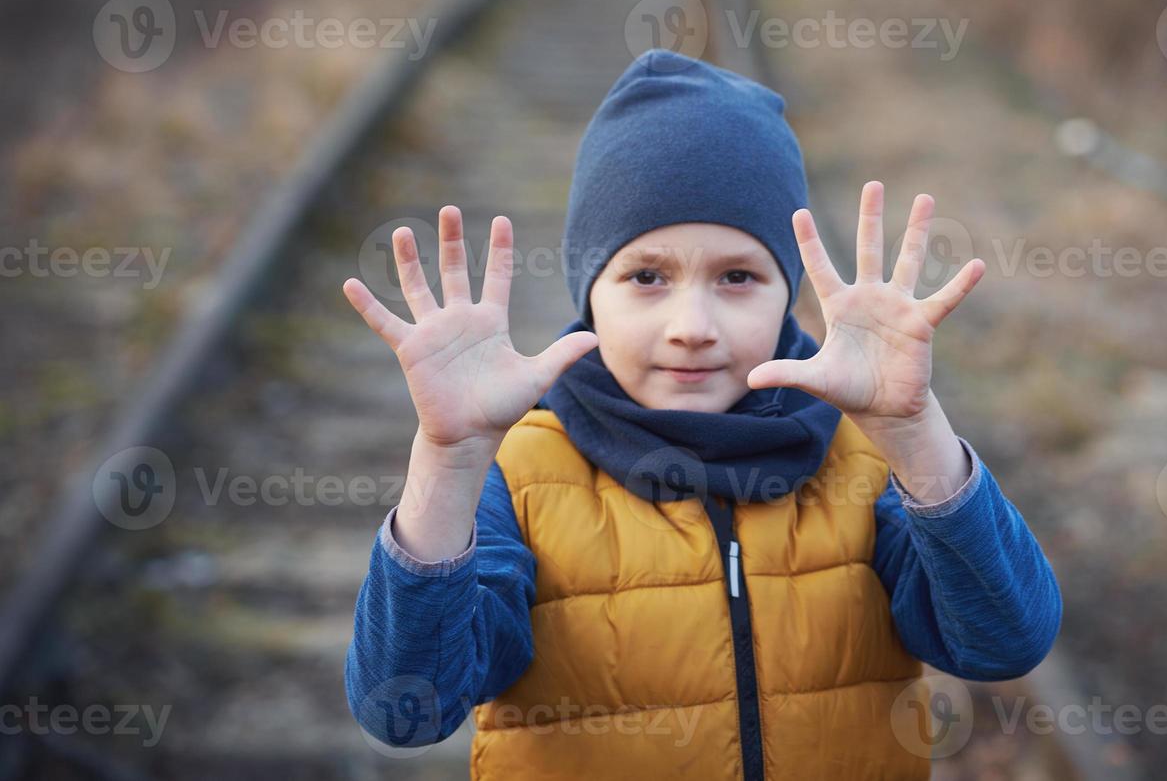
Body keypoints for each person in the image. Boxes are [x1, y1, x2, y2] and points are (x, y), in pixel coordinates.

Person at [340, 49, 1062, 779]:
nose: (693, 324)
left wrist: (913, 433)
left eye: (738, 277)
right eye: (647, 276)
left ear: (790, 293)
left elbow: (1003, 641)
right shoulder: (519, 474)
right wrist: (449, 462)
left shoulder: (867, 461)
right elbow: (408, 711)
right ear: (590, 292)